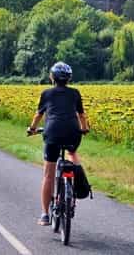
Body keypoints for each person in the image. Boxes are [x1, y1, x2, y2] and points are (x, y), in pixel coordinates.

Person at [27, 62, 89, 226]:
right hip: (72, 132)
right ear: (69, 79)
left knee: (48, 175)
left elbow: (38, 115)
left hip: (53, 132)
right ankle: (78, 178)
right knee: (72, 152)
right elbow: (81, 116)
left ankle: (45, 215)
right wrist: (84, 129)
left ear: (52, 77)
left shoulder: (46, 93)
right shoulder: (75, 93)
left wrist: (32, 129)